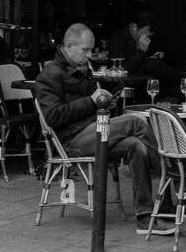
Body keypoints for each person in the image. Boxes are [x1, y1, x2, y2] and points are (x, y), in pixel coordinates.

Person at [35, 24, 170, 235]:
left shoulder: (83, 70)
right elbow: (53, 116)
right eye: (85, 50)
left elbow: (90, 106)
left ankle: (145, 218)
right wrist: (91, 101)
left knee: (137, 146)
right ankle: (172, 183)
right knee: (135, 121)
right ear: (69, 46)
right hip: (71, 142)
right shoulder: (49, 74)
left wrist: (104, 103)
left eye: (91, 50)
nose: (90, 55)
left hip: (92, 131)